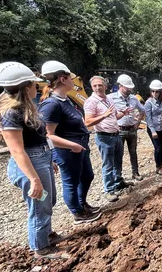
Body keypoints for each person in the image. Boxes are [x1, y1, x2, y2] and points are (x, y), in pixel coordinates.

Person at [0, 61, 68, 258]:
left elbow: (38, 138)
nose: (38, 87)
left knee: (48, 200)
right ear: (26, 87)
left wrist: (49, 159)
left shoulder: (27, 108)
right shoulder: (10, 114)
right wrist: (33, 179)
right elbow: (17, 151)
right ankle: (41, 248)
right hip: (29, 164)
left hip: (41, 159)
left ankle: (47, 234)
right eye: (35, 85)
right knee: (39, 205)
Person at [38, 61, 101, 224]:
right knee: (71, 182)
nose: (74, 81)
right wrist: (72, 145)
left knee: (87, 176)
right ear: (63, 79)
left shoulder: (66, 100)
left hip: (80, 147)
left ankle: (82, 204)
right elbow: (48, 135)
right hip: (67, 152)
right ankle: (78, 213)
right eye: (71, 78)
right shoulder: (51, 105)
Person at [83, 76, 130, 207]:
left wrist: (124, 113)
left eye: (100, 85)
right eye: (95, 86)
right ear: (92, 87)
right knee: (108, 164)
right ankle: (108, 190)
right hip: (104, 137)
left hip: (116, 135)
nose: (98, 88)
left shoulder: (109, 99)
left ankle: (118, 182)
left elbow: (114, 115)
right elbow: (88, 122)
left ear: (105, 86)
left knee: (118, 161)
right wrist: (103, 115)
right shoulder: (91, 102)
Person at [111, 74, 146, 181]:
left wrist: (138, 123)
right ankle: (118, 176)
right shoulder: (111, 98)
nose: (130, 89)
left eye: (130, 87)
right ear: (120, 85)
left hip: (132, 130)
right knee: (118, 154)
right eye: (127, 87)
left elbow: (142, 110)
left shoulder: (134, 98)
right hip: (119, 130)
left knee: (133, 152)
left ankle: (135, 173)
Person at [144, 80, 162, 175]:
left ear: (161, 92)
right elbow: (148, 118)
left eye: (157, 91)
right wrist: (153, 131)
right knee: (157, 148)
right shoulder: (148, 103)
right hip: (153, 129)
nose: (155, 93)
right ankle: (158, 167)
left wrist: (160, 120)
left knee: (161, 147)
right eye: (153, 91)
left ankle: (161, 164)